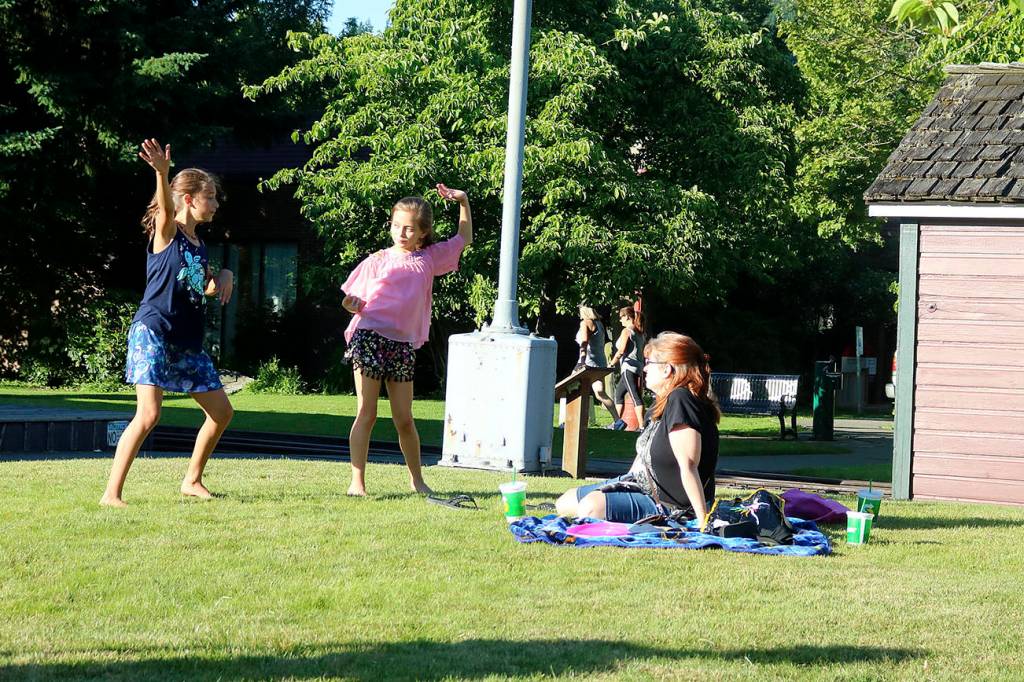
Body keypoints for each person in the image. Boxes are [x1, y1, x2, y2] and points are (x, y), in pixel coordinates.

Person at [100, 139, 235, 507]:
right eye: (211, 197)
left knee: (222, 412)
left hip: (186, 341)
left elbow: (206, 287)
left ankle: (192, 481)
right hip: (154, 332)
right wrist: (162, 174)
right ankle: (111, 495)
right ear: (189, 199)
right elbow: (163, 210)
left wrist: (225, 274)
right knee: (149, 414)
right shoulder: (168, 233)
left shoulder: (198, 244)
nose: (216, 204)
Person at [341, 184, 472, 496]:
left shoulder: (429, 258)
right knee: (367, 413)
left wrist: (463, 202)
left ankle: (417, 480)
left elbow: (464, 238)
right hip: (370, 337)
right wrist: (351, 305)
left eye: (409, 228)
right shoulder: (377, 260)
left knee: (404, 419)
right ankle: (357, 483)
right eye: (396, 225)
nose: (401, 232)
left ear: (423, 232)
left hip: (401, 346)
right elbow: (350, 300)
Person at [555, 332, 720, 523]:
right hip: (642, 485)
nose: (645, 368)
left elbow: (689, 465)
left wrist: (702, 520)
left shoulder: (681, 400)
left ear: (667, 369)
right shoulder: (661, 403)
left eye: (649, 362)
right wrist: (623, 483)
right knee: (565, 502)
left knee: (590, 507)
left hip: (671, 505)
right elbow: (643, 458)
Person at [574, 305, 623, 429]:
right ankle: (618, 421)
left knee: (572, 390)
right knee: (600, 393)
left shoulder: (585, 323)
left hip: (587, 362)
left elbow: (584, 342)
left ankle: (569, 421)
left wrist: (581, 361)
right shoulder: (600, 324)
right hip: (600, 362)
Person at [609, 306, 646, 431]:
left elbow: (621, 350)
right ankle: (617, 423)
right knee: (619, 394)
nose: (620, 320)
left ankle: (642, 426)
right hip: (637, 368)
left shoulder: (627, 331)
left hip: (628, 368)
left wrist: (611, 363)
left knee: (635, 396)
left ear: (628, 317)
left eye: (621, 317)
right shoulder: (640, 332)